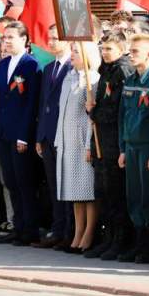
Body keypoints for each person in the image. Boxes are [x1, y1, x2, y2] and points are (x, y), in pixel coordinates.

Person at [118, 33, 149, 264]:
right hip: (130, 146)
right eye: (130, 50)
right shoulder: (130, 80)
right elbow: (122, 116)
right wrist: (121, 148)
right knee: (133, 197)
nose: (130, 54)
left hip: (148, 147)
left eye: (135, 51)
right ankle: (139, 243)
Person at [0, 21, 41, 246]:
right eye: (5, 37)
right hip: (3, 131)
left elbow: (31, 104)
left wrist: (24, 135)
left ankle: (29, 229)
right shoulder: (3, 65)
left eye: (11, 37)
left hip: (20, 133)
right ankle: (17, 225)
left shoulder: (31, 65)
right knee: (10, 181)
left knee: (24, 182)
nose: (7, 41)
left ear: (24, 40)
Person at [91, 31, 136, 260]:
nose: (104, 52)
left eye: (109, 48)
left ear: (121, 49)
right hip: (101, 139)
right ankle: (108, 238)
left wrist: (96, 110)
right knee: (103, 193)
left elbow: (119, 108)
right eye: (103, 48)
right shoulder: (105, 70)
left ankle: (120, 240)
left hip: (114, 140)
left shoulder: (123, 70)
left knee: (116, 194)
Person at [55, 41, 100, 253]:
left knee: (87, 190)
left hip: (83, 142)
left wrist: (90, 144)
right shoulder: (69, 76)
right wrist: (58, 139)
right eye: (71, 50)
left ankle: (89, 232)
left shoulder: (93, 79)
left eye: (76, 51)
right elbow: (61, 112)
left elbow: (92, 117)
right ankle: (78, 231)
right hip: (67, 141)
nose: (71, 54)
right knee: (74, 191)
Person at [35, 24, 73, 250]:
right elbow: (43, 105)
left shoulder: (74, 66)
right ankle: (57, 229)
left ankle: (69, 231)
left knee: (67, 185)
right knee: (53, 185)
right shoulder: (49, 68)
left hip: (65, 135)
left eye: (55, 38)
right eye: (49, 38)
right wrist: (40, 136)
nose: (51, 42)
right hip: (48, 135)